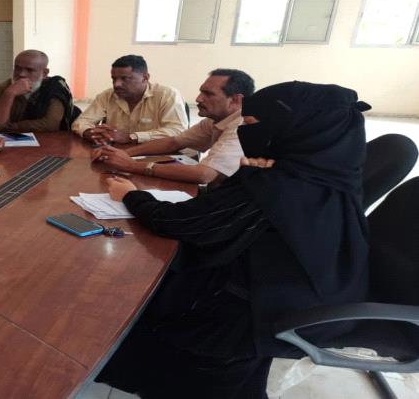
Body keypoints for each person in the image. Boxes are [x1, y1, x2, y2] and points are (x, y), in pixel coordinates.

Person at [97, 81, 371, 398]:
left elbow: (185, 223)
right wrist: (250, 175)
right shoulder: (330, 170)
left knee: (133, 297)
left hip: (255, 316)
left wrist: (131, 195)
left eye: (253, 125)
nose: (245, 134)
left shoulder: (279, 186)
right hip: (305, 294)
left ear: (290, 129)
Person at [92, 69, 254, 185]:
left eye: (208, 94)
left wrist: (131, 165)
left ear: (235, 100)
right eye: (201, 92)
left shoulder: (242, 125)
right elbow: (174, 142)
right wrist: (122, 154)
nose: (198, 99)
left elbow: (204, 175)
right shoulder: (215, 120)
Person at [71, 55, 188, 145]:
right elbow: (81, 122)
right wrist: (91, 133)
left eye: (125, 79)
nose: (116, 84)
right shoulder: (107, 95)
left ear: (145, 78)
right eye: (114, 79)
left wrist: (132, 137)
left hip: (155, 155)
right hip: (115, 153)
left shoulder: (167, 95)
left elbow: (177, 131)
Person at [0, 49, 78, 132]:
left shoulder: (54, 88)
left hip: (50, 140)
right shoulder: (0, 89)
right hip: (9, 142)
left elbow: (50, 125)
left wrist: (9, 127)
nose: (21, 74)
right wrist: (9, 94)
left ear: (44, 73)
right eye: (17, 68)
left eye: (29, 70)